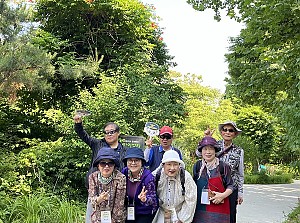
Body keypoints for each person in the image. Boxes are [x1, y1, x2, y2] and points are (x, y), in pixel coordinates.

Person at [74, 114, 127, 223]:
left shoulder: (124, 151)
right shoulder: (97, 144)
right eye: (106, 132)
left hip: (116, 190)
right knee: (92, 217)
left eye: (111, 132)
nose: (108, 134)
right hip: (96, 188)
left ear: (118, 133)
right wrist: (78, 124)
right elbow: (84, 136)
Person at [205, 121, 244, 223]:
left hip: (231, 189)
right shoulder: (214, 145)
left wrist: (240, 192)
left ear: (235, 134)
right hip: (214, 186)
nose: (227, 132)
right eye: (225, 130)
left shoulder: (239, 151)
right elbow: (199, 153)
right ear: (221, 132)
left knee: (230, 216)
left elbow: (240, 173)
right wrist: (206, 139)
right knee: (213, 215)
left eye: (231, 130)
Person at [192, 136, 233, 223]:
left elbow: (231, 185)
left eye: (211, 149)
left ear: (215, 150)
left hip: (219, 209)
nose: (208, 152)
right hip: (200, 209)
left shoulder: (223, 166)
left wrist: (222, 196)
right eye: (205, 149)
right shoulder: (197, 166)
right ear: (201, 151)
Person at [152, 150, 197, 223]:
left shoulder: (186, 177)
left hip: (179, 212)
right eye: (169, 164)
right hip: (161, 212)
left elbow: (191, 200)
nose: (172, 168)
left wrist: (183, 219)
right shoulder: (156, 175)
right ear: (163, 165)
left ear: (179, 165)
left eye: (175, 164)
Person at [88, 147, 126, 223]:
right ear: (98, 165)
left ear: (114, 165)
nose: (106, 166)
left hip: (116, 217)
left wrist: (113, 221)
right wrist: (100, 198)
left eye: (110, 163)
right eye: (103, 163)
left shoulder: (120, 178)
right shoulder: (92, 177)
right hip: (97, 217)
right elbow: (92, 199)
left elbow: (119, 204)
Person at [121, 147, 158, 223]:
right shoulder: (124, 173)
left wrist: (145, 199)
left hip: (144, 211)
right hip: (129, 209)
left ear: (142, 162)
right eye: (130, 160)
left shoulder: (148, 177)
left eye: (136, 160)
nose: (133, 163)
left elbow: (154, 200)